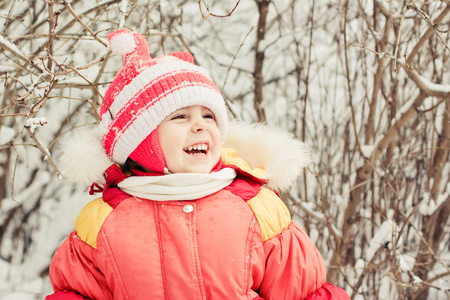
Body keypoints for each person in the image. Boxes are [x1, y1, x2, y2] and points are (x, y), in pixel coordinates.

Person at [46, 29, 350, 300]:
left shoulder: (257, 208)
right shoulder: (104, 222)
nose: (200, 126)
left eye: (209, 116)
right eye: (180, 117)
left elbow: (304, 293)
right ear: (139, 139)